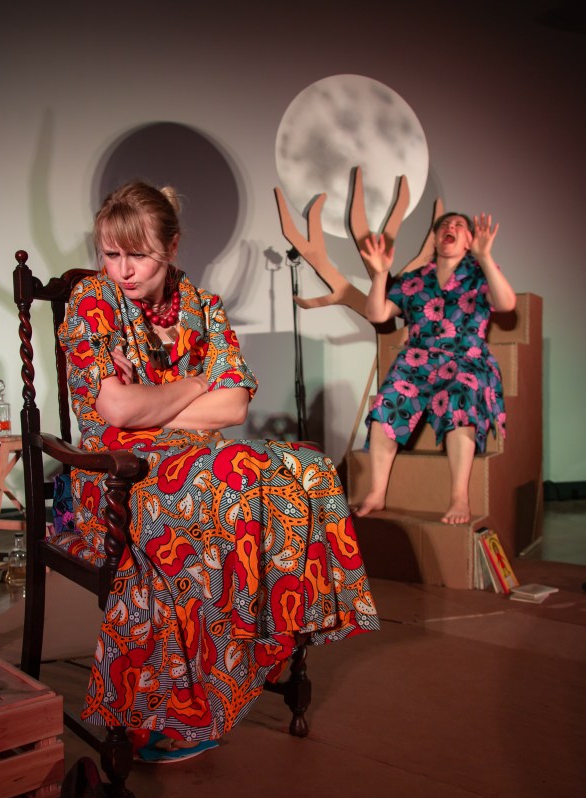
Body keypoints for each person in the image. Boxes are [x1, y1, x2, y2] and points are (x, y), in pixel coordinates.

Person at [53, 180, 379, 762]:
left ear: (172, 247)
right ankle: (170, 703)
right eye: (111, 253)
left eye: (138, 255)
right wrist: (200, 382)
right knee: (225, 485)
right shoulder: (92, 300)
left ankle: (257, 645)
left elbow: (232, 408)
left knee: (307, 468)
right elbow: (118, 413)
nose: (123, 269)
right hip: (116, 471)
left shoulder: (204, 306)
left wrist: (154, 397)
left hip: (196, 456)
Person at [356, 212, 517, 525]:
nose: (450, 228)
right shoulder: (415, 279)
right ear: (435, 237)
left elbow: (506, 303)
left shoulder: (479, 273)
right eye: (444, 225)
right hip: (418, 362)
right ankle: (376, 492)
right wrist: (380, 274)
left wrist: (485, 257)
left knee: (460, 396)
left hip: (466, 360)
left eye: (459, 225)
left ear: (469, 240)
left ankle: (459, 496)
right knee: (388, 399)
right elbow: (377, 314)